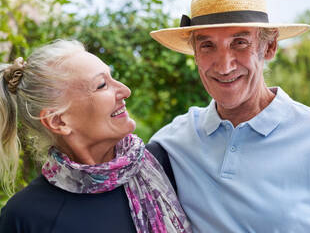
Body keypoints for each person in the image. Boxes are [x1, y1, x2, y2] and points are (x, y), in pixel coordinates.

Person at [149, 0, 310, 232]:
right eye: (208, 45)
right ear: (195, 54)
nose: (224, 66)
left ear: (269, 47)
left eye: (240, 43)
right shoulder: (173, 143)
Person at [0, 40, 191, 233]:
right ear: (58, 121)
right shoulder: (25, 217)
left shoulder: (166, 163)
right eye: (101, 85)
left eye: (112, 77)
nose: (125, 91)